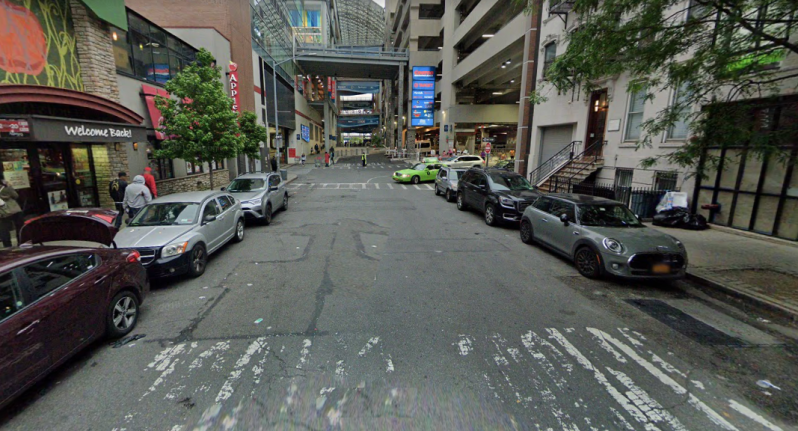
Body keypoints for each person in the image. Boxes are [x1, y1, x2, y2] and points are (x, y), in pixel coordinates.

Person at [0, 174, 23, 248]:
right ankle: (21, 242)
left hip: (2, 212)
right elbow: (16, 196)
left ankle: (7, 246)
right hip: (14, 210)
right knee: (19, 226)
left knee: (4, 229)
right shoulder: (6, 187)